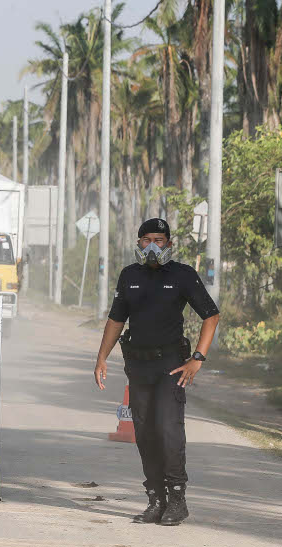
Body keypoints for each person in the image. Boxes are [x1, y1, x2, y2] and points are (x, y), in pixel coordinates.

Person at [93, 218, 220, 526]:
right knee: (145, 433)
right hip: (137, 365)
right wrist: (101, 359)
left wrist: (198, 358)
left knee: (168, 430)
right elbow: (115, 321)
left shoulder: (182, 275)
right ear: (138, 244)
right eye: (147, 239)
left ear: (169, 244)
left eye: (159, 240)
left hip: (170, 366)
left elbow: (211, 316)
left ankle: (177, 500)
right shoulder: (129, 276)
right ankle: (156, 500)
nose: (152, 246)